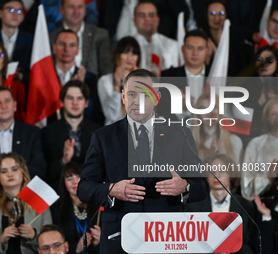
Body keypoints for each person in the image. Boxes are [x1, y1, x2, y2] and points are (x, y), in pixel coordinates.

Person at [77, 69, 209, 254]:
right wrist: (111, 189)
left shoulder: (180, 133)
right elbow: (84, 188)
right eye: (132, 94)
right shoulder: (103, 137)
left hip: (166, 236)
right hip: (119, 237)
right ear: (123, 97)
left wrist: (185, 186)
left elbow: (201, 186)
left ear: (157, 98)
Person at [0, 152, 52, 254]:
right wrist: (0, 239)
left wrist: (33, 236)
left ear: (23, 172)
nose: (10, 174)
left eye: (15, 169)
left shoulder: (38, 198)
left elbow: (51, 239)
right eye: (4, 171)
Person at [184, 154, 256, 254]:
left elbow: (250, 245)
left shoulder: (246, 206)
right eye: (212, 171)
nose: (216, 176)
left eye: (222, 170)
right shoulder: (192, 207)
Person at [42, 80, 100, 192]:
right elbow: (44, 173)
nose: (75, 103)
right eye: (70, 98)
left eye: (79, 98)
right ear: (61, 102)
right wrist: (63, 161)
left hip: (90, 195)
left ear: (86, 103)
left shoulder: (99, 132)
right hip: (57, 196)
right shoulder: (47, 133)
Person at [0, 0, 33, 90]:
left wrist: (19, 76)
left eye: (19, 11)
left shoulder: (31, 41)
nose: (15, 14)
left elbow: (36, 72)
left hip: (22, 90)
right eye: (11, 10)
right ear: (0, 13)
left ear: (23, 16)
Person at [49, 0, 112, 78]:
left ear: (85, 10)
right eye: (71, 7)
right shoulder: (51, 38)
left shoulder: (100, 35)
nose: (76, 11)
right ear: (61, 10)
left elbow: (106, 68)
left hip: (91, 88)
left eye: (80, 7)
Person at [51, 29, 102, 124]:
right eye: (62, 44)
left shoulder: (90, 79)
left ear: (78, 50)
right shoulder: (43, 76)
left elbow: (93, 116)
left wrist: (82, 87)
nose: (66, 49)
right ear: (54, 48)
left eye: (72, 45)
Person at [159, 29, 209, 120]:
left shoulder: (217, 75)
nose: (195, 53)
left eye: (200, 48)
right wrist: (181, 109)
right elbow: (162, 112)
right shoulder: (168, 77)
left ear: (207, 51)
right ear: (182, 49)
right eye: (190, 48)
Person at [52, 162, 100, 254]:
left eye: (78, 177)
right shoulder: (57, 209)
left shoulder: (98, 204)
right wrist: (77, 248)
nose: (75, 182)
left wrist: (98, 243)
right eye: (69, 179)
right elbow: (55, 243)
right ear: (64, 183)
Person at [199, 0, 252, 76]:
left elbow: (239, 72)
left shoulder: (237, 42)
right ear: (206, 16)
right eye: (212, 13)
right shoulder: (201, 41)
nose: (217, 18)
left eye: (221, 13)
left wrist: (216, 52)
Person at [98, 36, 140, 126]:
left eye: (134, 53)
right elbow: (112, 116)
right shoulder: (104, 81)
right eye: (125, 52)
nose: (130, 58)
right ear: (118, 55)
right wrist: (116, 86)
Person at [242, 97, 278, 201]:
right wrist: (268, 177)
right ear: (266, 116)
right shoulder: (255, 145)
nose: (277, 117)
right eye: (273, 113)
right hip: (263, 205)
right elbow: (246, 187)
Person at [191, 93, 243, 164]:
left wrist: (224, 158)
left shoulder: (234, 141)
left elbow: (238, 173)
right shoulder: (190, 144)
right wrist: (210, 158)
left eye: (213, 108)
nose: (209, 113)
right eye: (203, 108)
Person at [133, 1, 178, 75]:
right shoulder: (126, 46)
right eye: (141, 15)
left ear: (158, 19)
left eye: (151, 15)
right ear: (134, 20)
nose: (147, 18)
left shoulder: (173, 46)